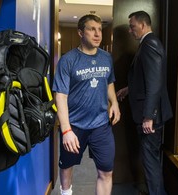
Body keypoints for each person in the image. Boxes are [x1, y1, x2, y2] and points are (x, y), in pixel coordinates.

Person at [52, 14, 121, 195]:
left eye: (99, 29)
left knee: (106, 171)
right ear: (81, 32)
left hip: (101, 125)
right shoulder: (68, 60)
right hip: (74, 125)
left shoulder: (106, 58)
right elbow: (60, 96)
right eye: (92, 29)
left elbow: (109, 82)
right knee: (67, 166)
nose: (98, 34)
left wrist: (114, 102)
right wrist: (66, 131)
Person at [116, 11, 173, 195]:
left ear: (142, 25)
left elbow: (155, 83)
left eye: (132, 26)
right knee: (150, 160)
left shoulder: (150, 44)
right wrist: (128, 89)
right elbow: (145, 78)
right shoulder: (147, 44)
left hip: (150, 117)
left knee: (150, 162)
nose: (131, 31)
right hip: (148, 113)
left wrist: (149, 116)